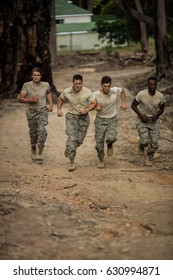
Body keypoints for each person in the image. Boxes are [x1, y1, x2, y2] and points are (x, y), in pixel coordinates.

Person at [57, 74, 97, 171]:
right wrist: (58, 110)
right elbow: (60, 98)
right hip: (71, 117)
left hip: (83, 118)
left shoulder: (87, 92)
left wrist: (87, 110)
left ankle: (69, 147)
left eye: (79, 83)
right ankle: (71, 162)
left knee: (79, 140)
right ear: (73, 83)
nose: (77, 85)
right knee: (72, 139)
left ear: (82, 83)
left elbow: (94, 103)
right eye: (76, 83)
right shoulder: (67, 91)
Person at [18, 67, 53, 163]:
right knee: (33, 132)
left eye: (38, 75)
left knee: (42, 130)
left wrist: (50, 104)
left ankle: (40, 152)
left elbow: (48, 92)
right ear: (31, 76)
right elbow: (20, 98)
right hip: (31, 112)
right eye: (34, 75)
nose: (36, 77)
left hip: (42, 111)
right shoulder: (27, 86)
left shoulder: (45, 85)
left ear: (41, 76)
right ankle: (33, 147)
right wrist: (30, 100)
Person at [131, 76, 166, 166]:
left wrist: (156, 116)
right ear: (148, 85)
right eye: (150, 84)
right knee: (145, 141)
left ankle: (149, 157)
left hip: (154, 121)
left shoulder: (160, 96)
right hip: (142, 120)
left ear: (156, 85)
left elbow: (162, 108)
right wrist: (141, 115)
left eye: (154, 84)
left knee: (154, 144)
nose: (152, 86)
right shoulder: (141, 94)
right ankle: (141, 145)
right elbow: (133, 106)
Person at [93, 75, 126, 169]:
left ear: (110, 85)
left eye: (108, 86)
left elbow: (122, 91)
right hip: (100, 120)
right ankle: (101, 159)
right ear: (101, 85)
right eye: (105, 86)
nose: (107, 88)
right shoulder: (95, 94)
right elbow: (89, 103)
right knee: (99, 143)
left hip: (112, 119)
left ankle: (110, 143)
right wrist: (95, 107)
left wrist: (123, 102)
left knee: (112, 137)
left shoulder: (114, 90)